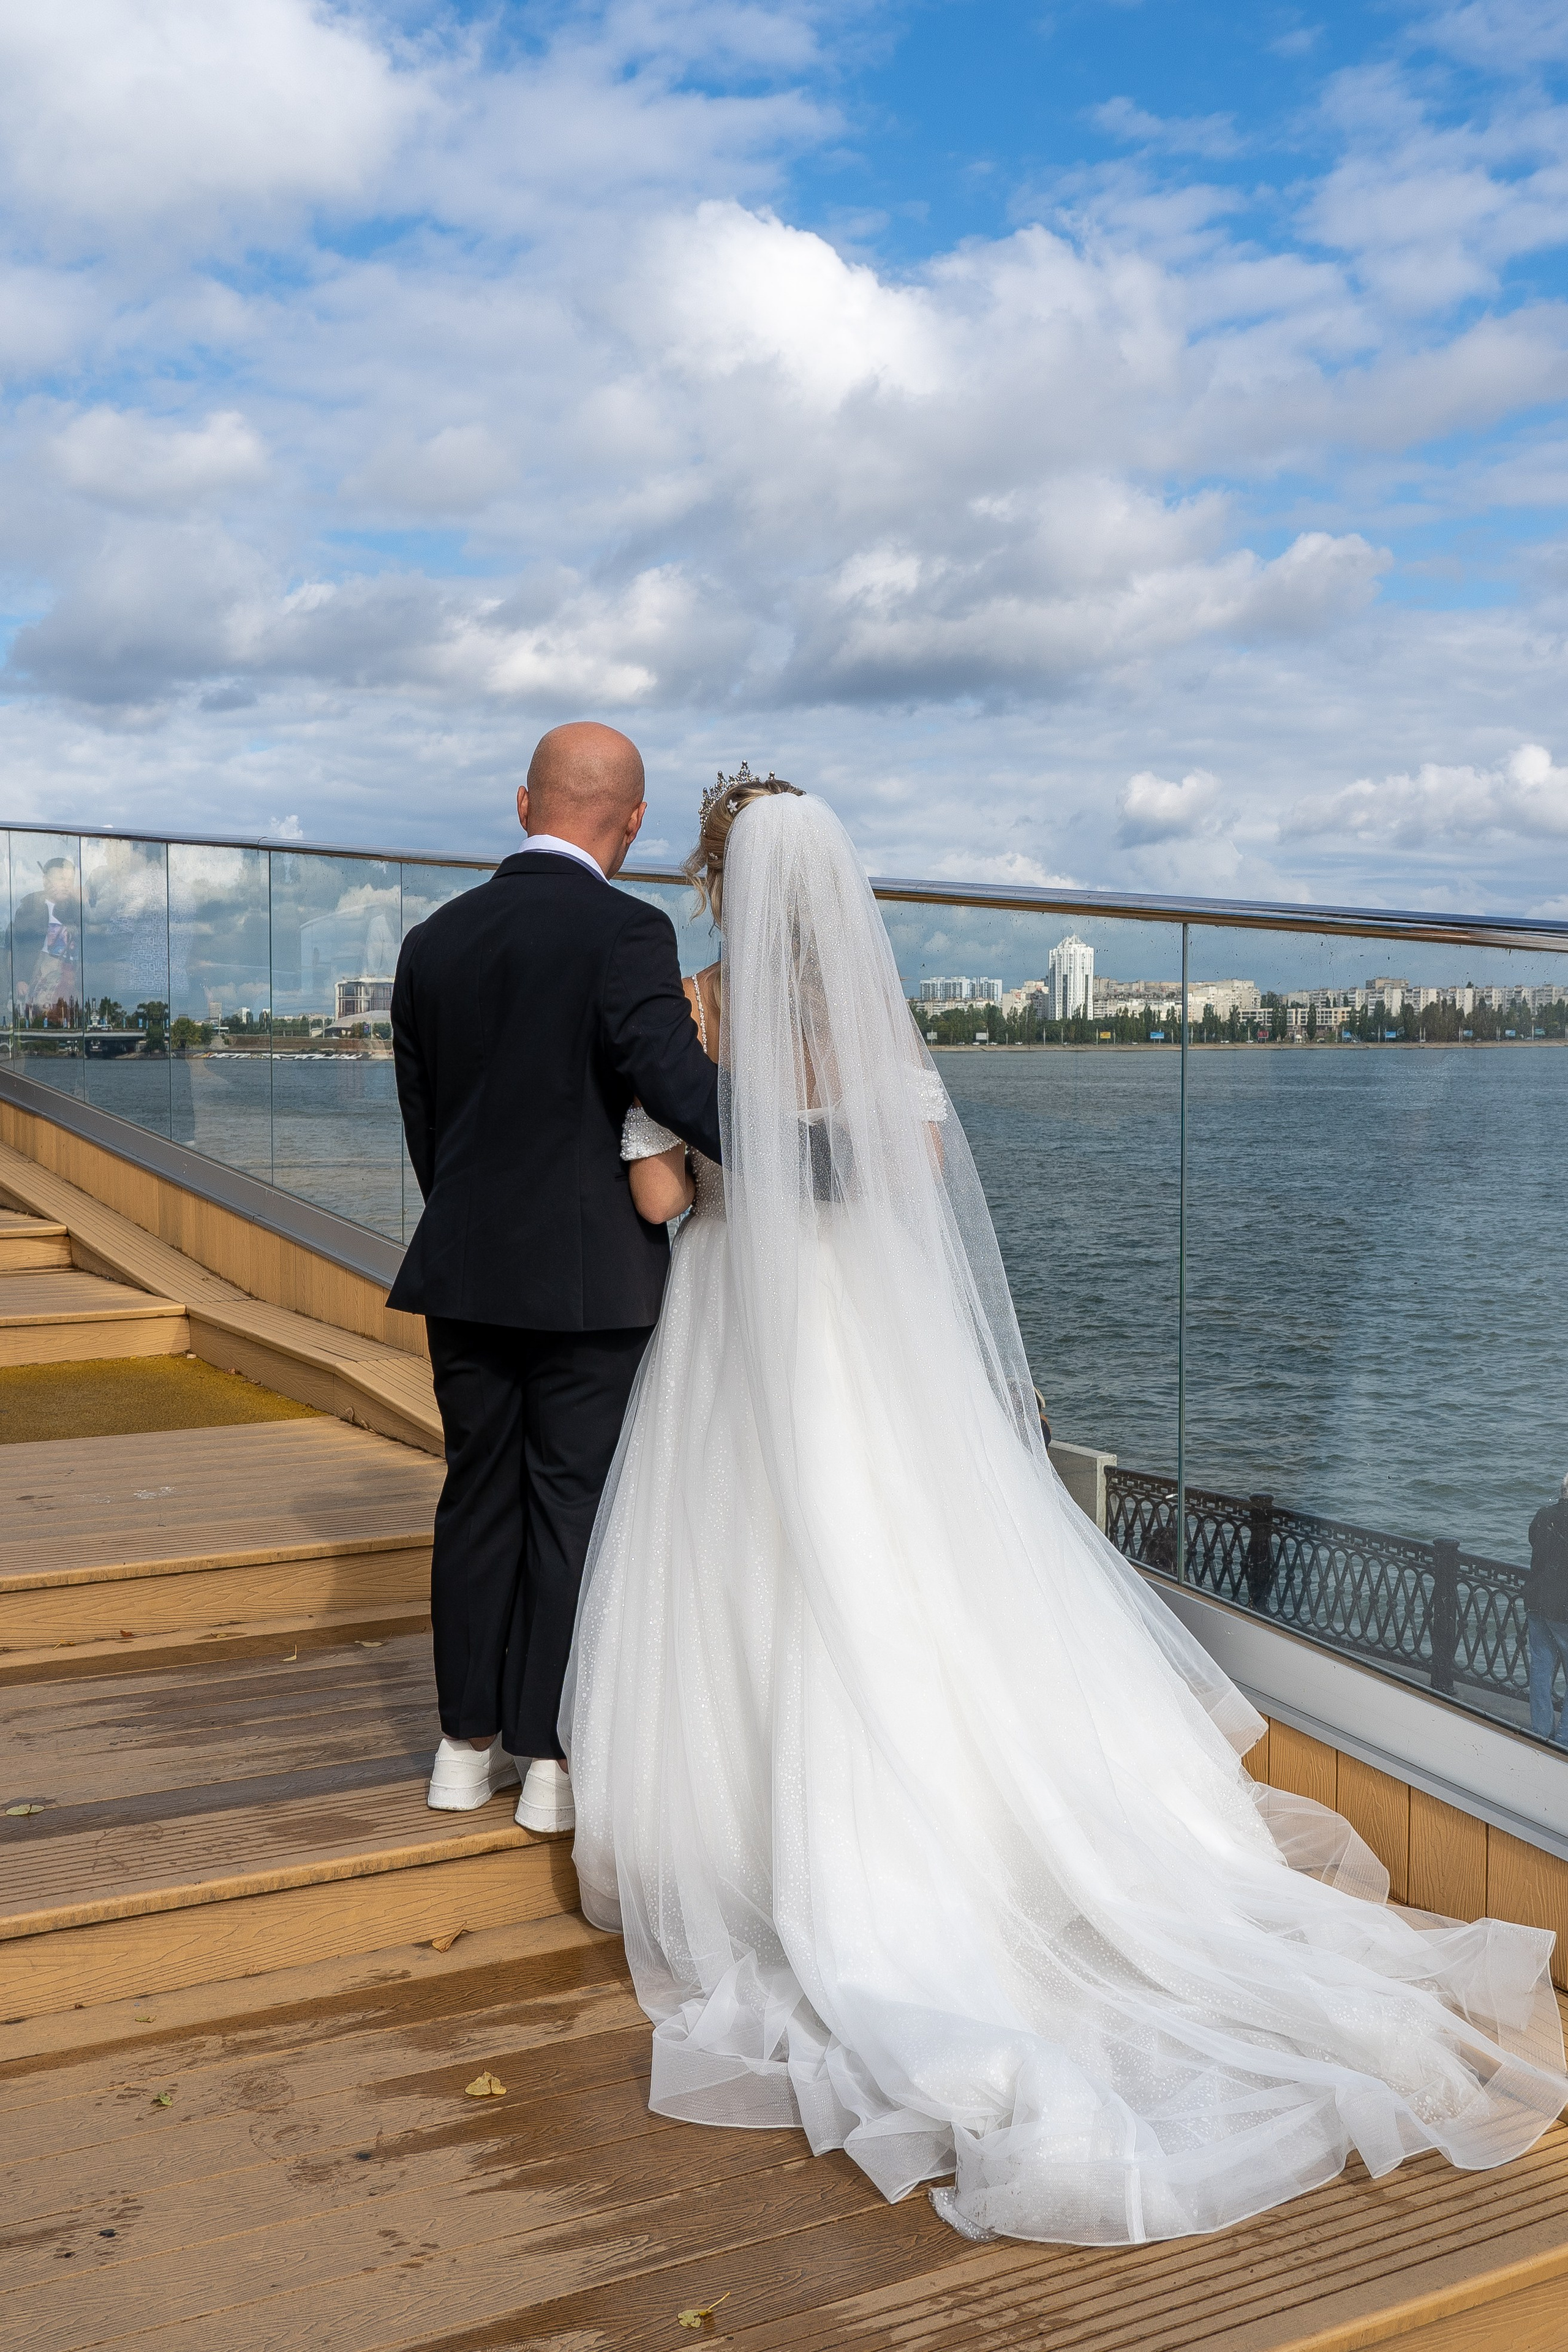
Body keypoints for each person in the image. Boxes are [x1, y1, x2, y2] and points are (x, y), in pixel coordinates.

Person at [562, 778, 1568, 2249]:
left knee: (750, 1564)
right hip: (872, 1338)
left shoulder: (688, 1007)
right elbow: (907, 1172)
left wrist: (697, 1163)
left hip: (735, 1330)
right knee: (911, 1553)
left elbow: (658, 1199)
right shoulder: (866, 1000)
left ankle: (769, 1835)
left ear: (712, 877)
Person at [389, 722, 722, 1832]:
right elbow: (675, 1086)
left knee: (475, 1497)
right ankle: (547, 1765)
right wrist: (815, 1151)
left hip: (467, 1266)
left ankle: (456, 1750)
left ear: (522, 804)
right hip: (592, 1282)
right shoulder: (627, 932)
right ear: (632, 823)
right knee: (571, 1508)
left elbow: (428, 1130)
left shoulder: (435, 939)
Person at [1525, 1474, 1568, 1744]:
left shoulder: (1544, 1514)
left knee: (1541, 1667)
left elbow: (1535, 1544)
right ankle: (1565, 1739)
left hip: (1537, 1600)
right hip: (1564, 1608)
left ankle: (1541, 1731)